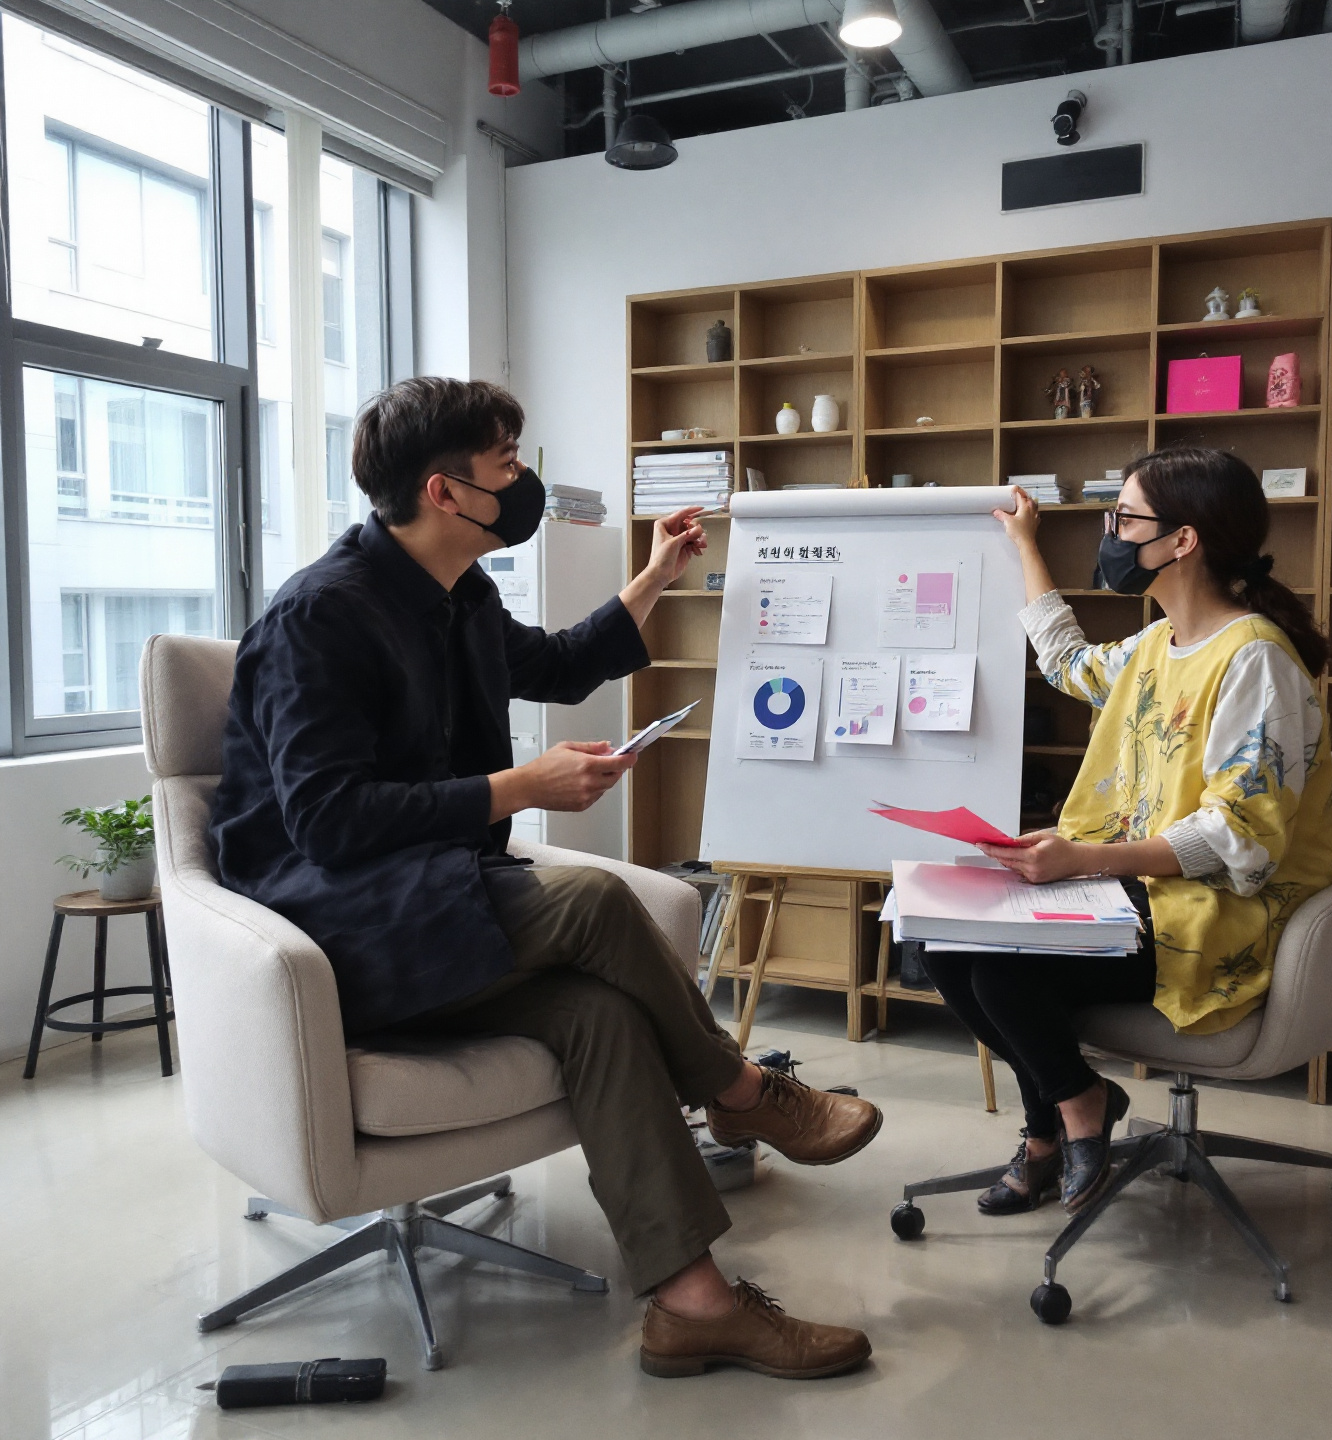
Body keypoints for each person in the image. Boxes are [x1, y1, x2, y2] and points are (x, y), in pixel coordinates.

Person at [211, 377, 881, 1380]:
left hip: (436, 901)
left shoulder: (460, 596)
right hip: (337, 930)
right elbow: (328, 822)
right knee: (598, 898)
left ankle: (693, 1307)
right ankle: (739, 1090)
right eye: (507, 464)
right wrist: (520, 786)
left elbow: (563, 665)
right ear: (445, 492)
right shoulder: (320, 617)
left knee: (600, 1019)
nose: (523, 479)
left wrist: (654, 576)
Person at [924, 446, 1332, 1217]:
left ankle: (1067, 1116)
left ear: (1183, 540)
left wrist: (1083, 858)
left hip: (1219, 907)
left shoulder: (1255, 660)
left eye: (1124, 518)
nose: (1111, 534)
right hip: (1135, 885)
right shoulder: (1155, 646)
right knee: (943, 943)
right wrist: (1024, 544)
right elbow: (1067, 662)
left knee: (1002, 970)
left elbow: (1240, 838)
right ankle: (1061, 1119)